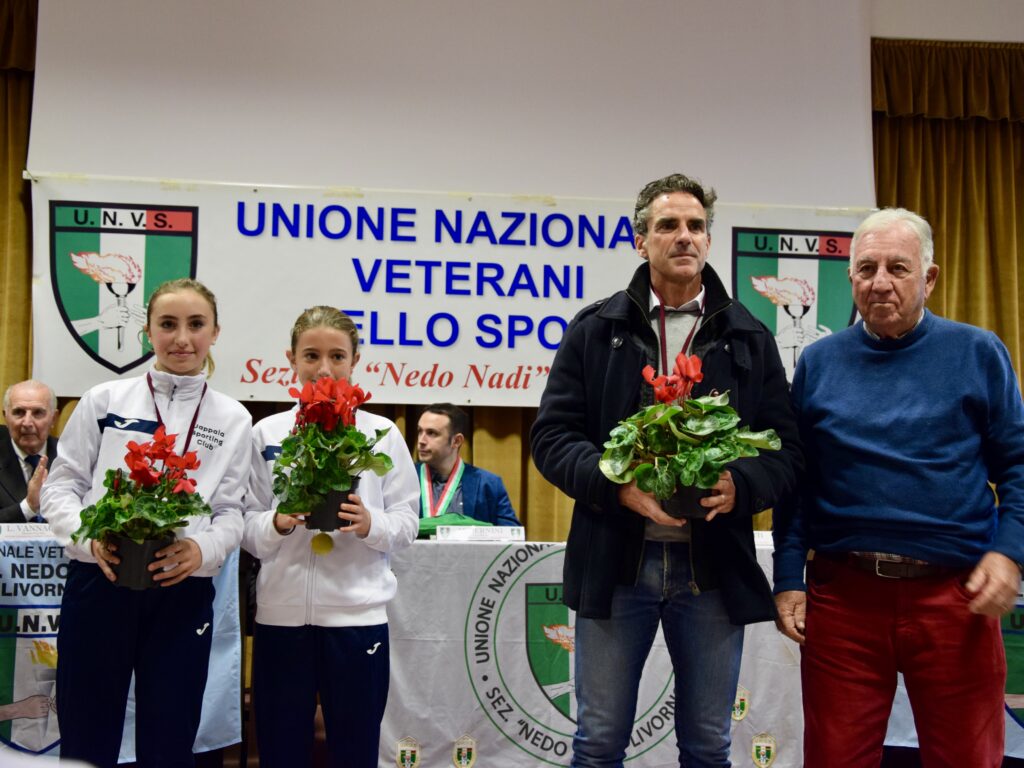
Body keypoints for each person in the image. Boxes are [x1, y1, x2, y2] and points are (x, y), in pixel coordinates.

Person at [531, 173, 801, 767]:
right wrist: (615, 486)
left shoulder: (750, 337)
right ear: (640, 240)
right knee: (598, 743)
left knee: (707, 746)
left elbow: (785, 452)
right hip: (615, 564)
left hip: (714, 571)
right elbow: (551, 438)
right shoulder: (595, 330)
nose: (684, 236)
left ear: (709, 239)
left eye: (696, 226)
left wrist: (740, 486)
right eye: (668, 225)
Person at [772, 207, 1024, 768]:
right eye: (867, 269)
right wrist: (788, 577)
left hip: (956, 597)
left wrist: (1009, 553)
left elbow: (1018, 466)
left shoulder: (978, 352)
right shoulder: (818, 362)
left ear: (928, 278)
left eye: (898, 268)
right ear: (850, 278)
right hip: (843, 599)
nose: (880, 282)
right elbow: (797, 481)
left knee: (968, 758)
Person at [42, 278, 252, 768]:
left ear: (215, 332)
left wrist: (202, 550)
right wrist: (90, 540)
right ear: (148, 333)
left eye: (196, 325)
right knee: (87, 731)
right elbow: (61, 487)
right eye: (168, 324)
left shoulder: (233, 418)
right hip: (101, 579)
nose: (182, 338)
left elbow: (230, 512)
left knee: (170, 737)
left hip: (182, 589)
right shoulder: (103, 400)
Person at [243, 305, 419, 768]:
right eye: (311, 355)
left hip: (358, 621)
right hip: (281, 621)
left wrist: (370, 523)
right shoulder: (266, 434)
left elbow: (407, 523)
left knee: (355, 752)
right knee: (280, 753)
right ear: (291, 359)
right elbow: (246, 526)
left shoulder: (382, 434)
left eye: (337, 356)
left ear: (355, 361)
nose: (324, 368)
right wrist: (277, 522)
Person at [416, 403, 521, 527]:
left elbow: (512, 534)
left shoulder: (489, 484)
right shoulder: (403, 478)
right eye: (420, 431)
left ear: (456, 441)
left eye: (432, 433)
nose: (421, 441)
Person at [0, 380, 59, 523]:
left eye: (38, 413)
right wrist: (28, 507)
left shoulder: (70, 457)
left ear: (53, 418)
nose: (27, 423)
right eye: (19, 412)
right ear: (5, 416)